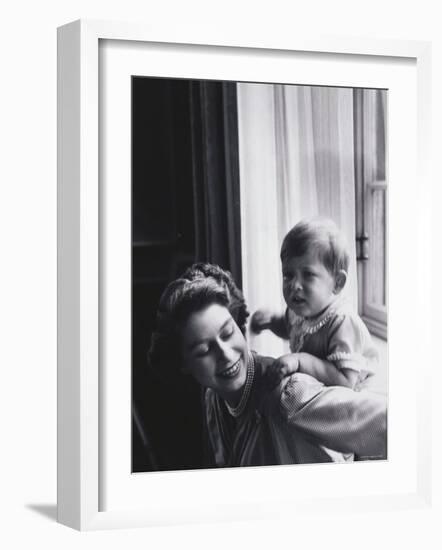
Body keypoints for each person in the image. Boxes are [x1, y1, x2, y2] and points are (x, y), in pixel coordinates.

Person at [148, 262, 386, 467]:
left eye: (228, 332)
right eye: (204, 350)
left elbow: (388, 422)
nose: (225, 353)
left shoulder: (290, 395)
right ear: (183, 363)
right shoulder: (214, 400)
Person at [251, 218, 378, 390]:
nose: (295, 285)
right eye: (288, 275)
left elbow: (346, 380)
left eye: (308, 274)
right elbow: (290, 329)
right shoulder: (300, 309)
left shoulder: (342, 322)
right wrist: (272, 321)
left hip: (351, 399)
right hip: (318, 388)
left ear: (337, 283)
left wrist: (300, 361)